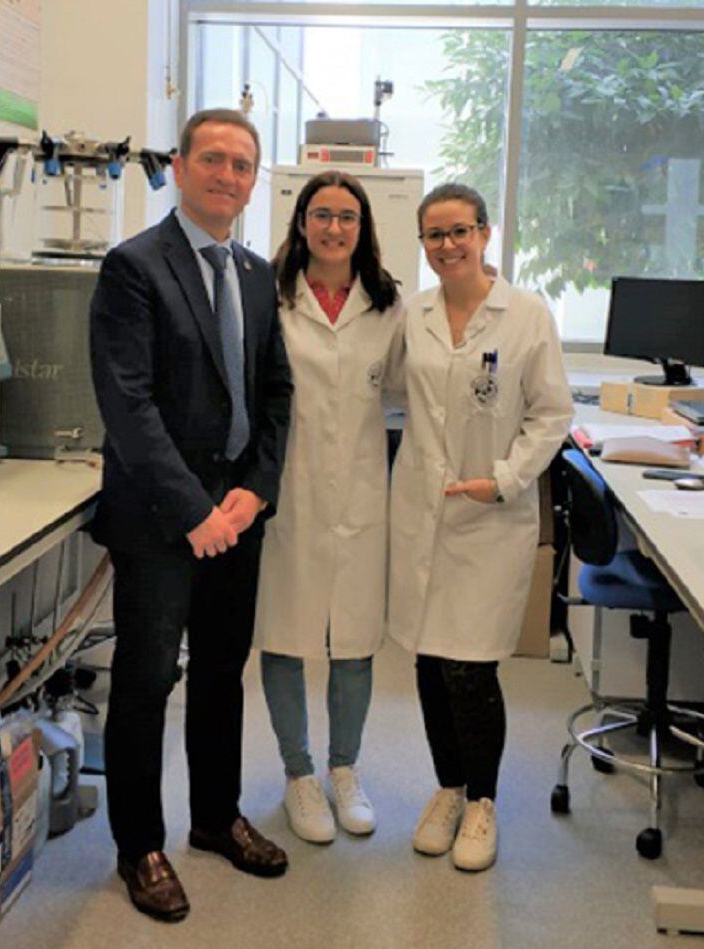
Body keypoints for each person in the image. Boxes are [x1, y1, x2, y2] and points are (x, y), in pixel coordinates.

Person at [90, 108, 293, 923]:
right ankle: (140, 843)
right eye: (212, 159)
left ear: (252, 181)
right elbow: (128, 405)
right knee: (145, 681)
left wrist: (257, 489)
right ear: (180, 167)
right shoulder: (133, 267)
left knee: (219, 673)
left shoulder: (253, 272)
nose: (227, 175)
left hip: (236, 517)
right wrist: (193, 510)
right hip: (161, 520)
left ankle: (215, 816)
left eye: (242, 165)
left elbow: (275, 393)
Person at [388, 183, 573, 872]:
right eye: (434, 235)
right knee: (431, 659)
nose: (447, 246)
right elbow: (386, 392)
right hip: (422, 509)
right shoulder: (415, 313)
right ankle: (448, 787)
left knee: (471, 664)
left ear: (485, 233)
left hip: (491, 512)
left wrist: (503, 477)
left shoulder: (526, 315)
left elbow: (551, 415)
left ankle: (485, 801)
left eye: (459, 231)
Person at [254, 170, 403, 844]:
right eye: (322, 214)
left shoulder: (389, 303)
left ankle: (346, 769)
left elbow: (408, 388)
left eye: (347, 216)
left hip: (362, 492)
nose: (334, 227)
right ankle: (299, 774)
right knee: (284, 632)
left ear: (363, 227)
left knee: (354, 639)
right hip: (288, 490)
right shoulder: (270, 294)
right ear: (302, 222)